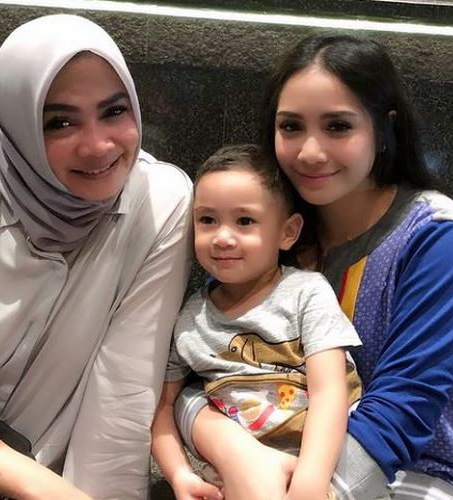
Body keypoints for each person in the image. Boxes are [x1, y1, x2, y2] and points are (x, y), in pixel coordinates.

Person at [174, 33, 453, 500]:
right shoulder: (264, 227)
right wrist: (232, 449)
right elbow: (207, 361)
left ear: (384, 129)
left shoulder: (437, 239)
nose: (310, 152)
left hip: (415, 473)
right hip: (266, 457)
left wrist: (314, 489)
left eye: (338, 126)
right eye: (291, 127)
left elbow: (405, 408)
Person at [0, 14, 192, 499]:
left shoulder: (161, 201)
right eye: (59, 122)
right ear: (16, 124)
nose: (98, 145)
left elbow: (122, 388)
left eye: (114, 111)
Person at [151, 144, 363, 500]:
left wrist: (310, 480)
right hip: (236, 472)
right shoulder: (190, 318)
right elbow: (163, 407)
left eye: (244, 221)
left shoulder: (305, 293)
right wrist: (178, 474)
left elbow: (329, 390)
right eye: (207, 220)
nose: (222, 237)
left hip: (324, 467)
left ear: (287, 232)